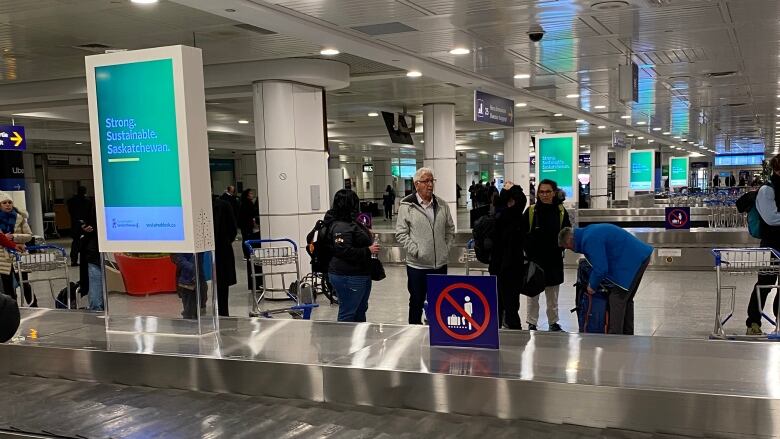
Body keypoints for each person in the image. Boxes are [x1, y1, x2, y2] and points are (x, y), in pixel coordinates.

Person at [559, 224, 653, 335]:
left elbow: (601, 269)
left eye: (567, 247)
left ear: (570, 239)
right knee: (626, 300)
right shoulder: (587, 232)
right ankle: (627, 335)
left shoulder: (589, 239)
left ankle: (615, 338)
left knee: (616, 299)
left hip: (632, 261)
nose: (570, 249)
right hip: (640, 256)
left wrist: (592, 286)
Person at [396, 167, 455, 325]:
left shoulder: (442, 205)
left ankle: (438, 330)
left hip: (439, 264)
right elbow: (401, 233)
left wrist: (445, 248)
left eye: (432, 181)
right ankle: (413, 332)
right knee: (416, 301)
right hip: (417, 266)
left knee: (439, 301)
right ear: (417, 184)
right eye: (426, 181)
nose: (430, 185)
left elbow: (450, 229)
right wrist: (416, 251)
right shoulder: (407, 206)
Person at [523, 179, 571, 332]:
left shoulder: (561, 211)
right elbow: (522, 234)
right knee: (533, 294)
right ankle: (531, 322)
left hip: (554, 259)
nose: (544, 195)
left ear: (554, 192)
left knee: (553, 296)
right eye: (541, 192)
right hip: (535, 260)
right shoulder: (531, 211)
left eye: (548, 192)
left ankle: (553, 322)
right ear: (537, 193)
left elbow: (567, 233)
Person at [326, 189, 380, 322]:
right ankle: (344, 342)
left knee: (359, 310)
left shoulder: (350, 222)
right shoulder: (340, 226)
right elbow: (343, 251)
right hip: (348, 275)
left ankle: (358, 340)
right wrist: (368, 250)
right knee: (349, 312)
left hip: (359, 273)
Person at [745, 155, 780, 335]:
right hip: (772, 245)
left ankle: (778, 320)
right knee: (765, 283)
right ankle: (753, 322)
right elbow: (771, 218)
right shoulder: (767, 190)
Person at [488, 182, 527, 329]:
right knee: (511, 305)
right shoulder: (511, 215)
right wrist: (512, 188)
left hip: (497, 266)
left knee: (499, 302)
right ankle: (513, 332)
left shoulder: (498, 214)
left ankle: (496, 331)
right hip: (510, 268)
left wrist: (506, 191)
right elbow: (522, 200)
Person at [0, 192, 36, 307]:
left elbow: (29, 235)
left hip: (19, 255)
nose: (7, 205)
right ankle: (12, 308)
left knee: (24, 283)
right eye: (4, 203)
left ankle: (34, 305)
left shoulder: (20, 218)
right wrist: (4, 239)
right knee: (7, 285)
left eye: (10, 202)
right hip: (3, 258)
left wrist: (14, 237)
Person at [213, 195, 238, 317]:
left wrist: (225, 241)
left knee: (222, 285)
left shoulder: (223, 206)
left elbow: (233, 229)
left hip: (221, 250)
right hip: (207, 250)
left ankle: (223, 313)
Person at [79, 203, 103, 310]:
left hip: (94, 252)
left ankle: (96, 310)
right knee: (96, 292)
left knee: (96, 291)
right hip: (96, 252)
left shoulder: (92, 206)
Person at [170, 253, 208, 319]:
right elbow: (176, 257)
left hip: (199, 280)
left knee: (201, 309)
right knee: (189, 312)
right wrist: (192, 267)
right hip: (187, 282)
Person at [239, 188, 262, 290]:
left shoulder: (243, 203)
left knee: (246, 240)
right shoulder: (247, 204)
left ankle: (246, 253)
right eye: (251, 193)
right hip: (248, 227)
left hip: (246, 227)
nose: (252, 195)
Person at [66, 186, 91, 266]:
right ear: (85, 192)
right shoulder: (88, 201)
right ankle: (85, 260)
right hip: (85, 224)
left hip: (75, 224)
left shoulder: (71, 201)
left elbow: (70, 211)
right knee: (85, 243)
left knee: (75, 243)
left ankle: (74, 260)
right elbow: (89, 213)